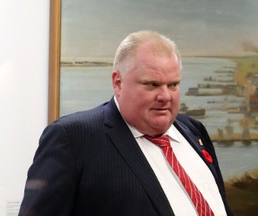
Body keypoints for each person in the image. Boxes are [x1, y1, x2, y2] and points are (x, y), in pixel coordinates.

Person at [19, 30, 233, 216]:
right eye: (152, 84)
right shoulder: (73, 139)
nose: (165, 96)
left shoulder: (193, 131)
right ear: (118, 83)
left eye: (173, 85)